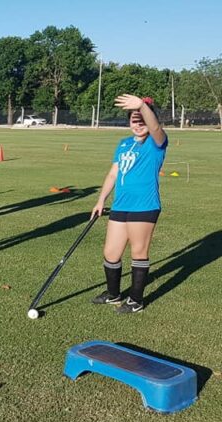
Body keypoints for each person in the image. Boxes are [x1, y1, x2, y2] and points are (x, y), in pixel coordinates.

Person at [91, 95, 168, 314]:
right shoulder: (123, 144)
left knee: (138, 252)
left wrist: (143, 107)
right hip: (120, 205)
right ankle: (114, 294)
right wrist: (100, 200)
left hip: (144, 206)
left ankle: (136, 301)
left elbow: (155, 127)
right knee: (111, 253)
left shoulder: (156, 142)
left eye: (142, 119)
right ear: (129, 122)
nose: (139, 123)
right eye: (135, 119)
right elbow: (114, 173)